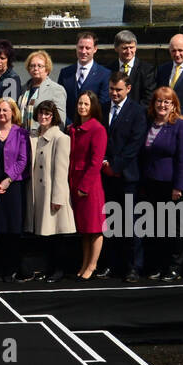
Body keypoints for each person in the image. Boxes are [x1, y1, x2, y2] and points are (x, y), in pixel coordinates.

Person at [139, 87, 183, 282]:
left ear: (174, 105)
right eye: (159, 101)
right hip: (151, 183)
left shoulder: (181, 126)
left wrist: (179, 186)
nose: (162, 105)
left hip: (171, 186)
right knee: (155, 228)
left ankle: (174, 267)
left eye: (167, 102)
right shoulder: (148, 123)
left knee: (174, 229)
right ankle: (157, 265)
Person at [103, 72, 148, 282]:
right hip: (107, 176)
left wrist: (116, 165)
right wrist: (105, 163)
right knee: (111, 223)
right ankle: (112, 265)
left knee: (131, 224)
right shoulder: (103, 108)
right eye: (112, 89)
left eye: (118, 89)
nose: (114, 93)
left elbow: (135, 143)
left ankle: (134, 267)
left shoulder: (138, 111)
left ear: (128, 89)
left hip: (128, 176)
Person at [27, 99, 73, 282]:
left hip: (52, 194)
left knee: (56, 235)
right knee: (45, 236)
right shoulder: (34, 136)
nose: (43, 117)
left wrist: (58, 197)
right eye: (41, 113)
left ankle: (58, 270)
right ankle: (48, 268)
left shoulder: (61, 138)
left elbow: (61, 171)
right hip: (38, 193)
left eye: (47, 114)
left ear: (53, 116)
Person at [0, 97, 30, 281]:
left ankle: (12, 268)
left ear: (13, 112)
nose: (1, 113)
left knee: (13, 229)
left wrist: (7, 180)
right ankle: (0, 267)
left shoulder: (21, 133)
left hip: (13, 186)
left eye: (5, 110)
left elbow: (22, 160)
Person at [69, 91, 108, 280]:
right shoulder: (73, 128)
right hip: (74, 183)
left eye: (86, 104)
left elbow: (96, 162)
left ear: (93, 107)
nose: (82, 107)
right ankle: (84, 263)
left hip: (90, 186)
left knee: (95, 228)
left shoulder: (98, 129)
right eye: (80, 103)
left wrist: (84, 186)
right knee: (84, 229)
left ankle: (92, 266)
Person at [59, 30, 111, 120]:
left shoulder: (105, 74)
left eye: (88, 48)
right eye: (81, 47)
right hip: (67, 128)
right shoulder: (65, 73)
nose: (83, 51)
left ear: (95, 49)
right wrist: (68, 124)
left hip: (91, 128)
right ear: (76, 47)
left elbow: (102, 105)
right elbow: (59, 102)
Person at [19, 50, 67, 132]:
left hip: (43, 138)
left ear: (47, 69)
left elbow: (60, 122)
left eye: (40, 66)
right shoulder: (23, 89)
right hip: (22, 137)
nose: (35, 69)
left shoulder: (56, 89)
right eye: (32, 66)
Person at [108, 30, 155, 107]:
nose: (129, 51)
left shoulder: (147, 70)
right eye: (125, 48)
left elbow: (148, 98)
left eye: (131, 47)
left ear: (136, 47)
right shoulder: (109, 69)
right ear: (116, 48)